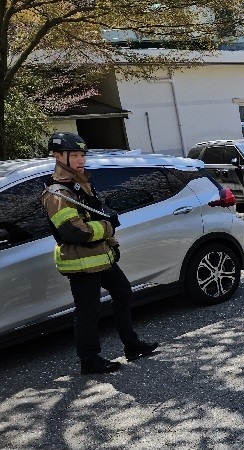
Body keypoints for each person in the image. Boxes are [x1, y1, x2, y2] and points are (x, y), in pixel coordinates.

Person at [41, 132, 158, 375]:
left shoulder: (81, 182)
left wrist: (109, 234)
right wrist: (107, 227)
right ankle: (90, 360)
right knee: (88, 311)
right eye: (74, 155)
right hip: (79, 260)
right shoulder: (57, 193)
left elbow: (94, 214)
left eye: (82, 154)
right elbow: (73, 231)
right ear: (57, 156)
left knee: (123, 292)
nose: (80, 160)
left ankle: (132, 345)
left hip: (99, 255)